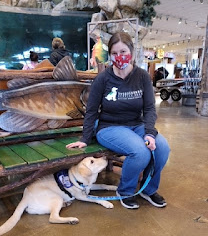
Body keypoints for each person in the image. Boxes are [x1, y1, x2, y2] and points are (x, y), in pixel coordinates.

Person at [66, 32, 170, 210]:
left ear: (131, 51)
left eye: (123, 51)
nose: (119, 57)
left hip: (137, 125)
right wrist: (84, 138)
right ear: (110, 55)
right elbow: (91, 111)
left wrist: (150, 133)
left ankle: (148, 189)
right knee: (140, 152)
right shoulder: (103, 79)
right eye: (114, 53)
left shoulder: (142, 76)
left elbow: (150, 109)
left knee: (162, 148)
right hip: (110, 128)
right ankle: (126, 191)